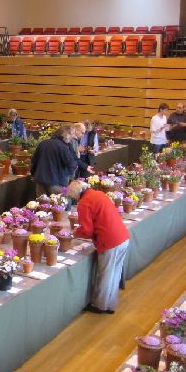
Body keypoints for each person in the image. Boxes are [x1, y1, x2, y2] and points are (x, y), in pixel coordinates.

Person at [67, 180, 130, 314]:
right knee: (115, 273)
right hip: (123, 237)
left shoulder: (84, 203)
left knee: (105, 274)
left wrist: (73, 235)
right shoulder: (99, 194)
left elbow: (87, 230)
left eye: (72, 197)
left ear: (76, 194)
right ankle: (110, 305)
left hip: (110, 241)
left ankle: (100, 306)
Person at [30, 125, 77, 196]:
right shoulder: (63, 147)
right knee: (58, 204)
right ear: (66, 134)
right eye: (72, 134)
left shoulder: (43, 143)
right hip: (56, 182)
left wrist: (33, 175)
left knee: (41, 205)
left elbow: (34, 161)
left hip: (40, 180)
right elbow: (71, 164)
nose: (72, 137)